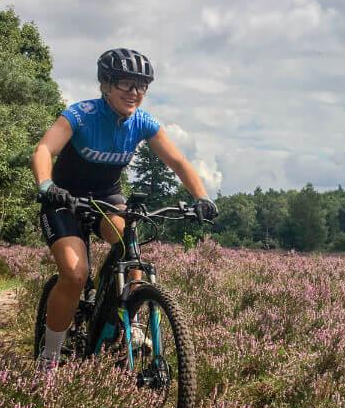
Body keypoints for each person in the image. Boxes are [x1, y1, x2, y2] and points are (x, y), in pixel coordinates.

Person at [31, 47, 217, 368]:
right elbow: (45, 149)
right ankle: (49, 356)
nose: (135, 93)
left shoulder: (143, 123)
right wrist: (47, 186)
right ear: (105, 84)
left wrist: (202, 197)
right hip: (64, 200)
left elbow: (178, 161)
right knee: (75, 275)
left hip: (106, 197)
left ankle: (127, 320)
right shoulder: (82, 114)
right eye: (126, 84)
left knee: (129, 241)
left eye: (142, 86)